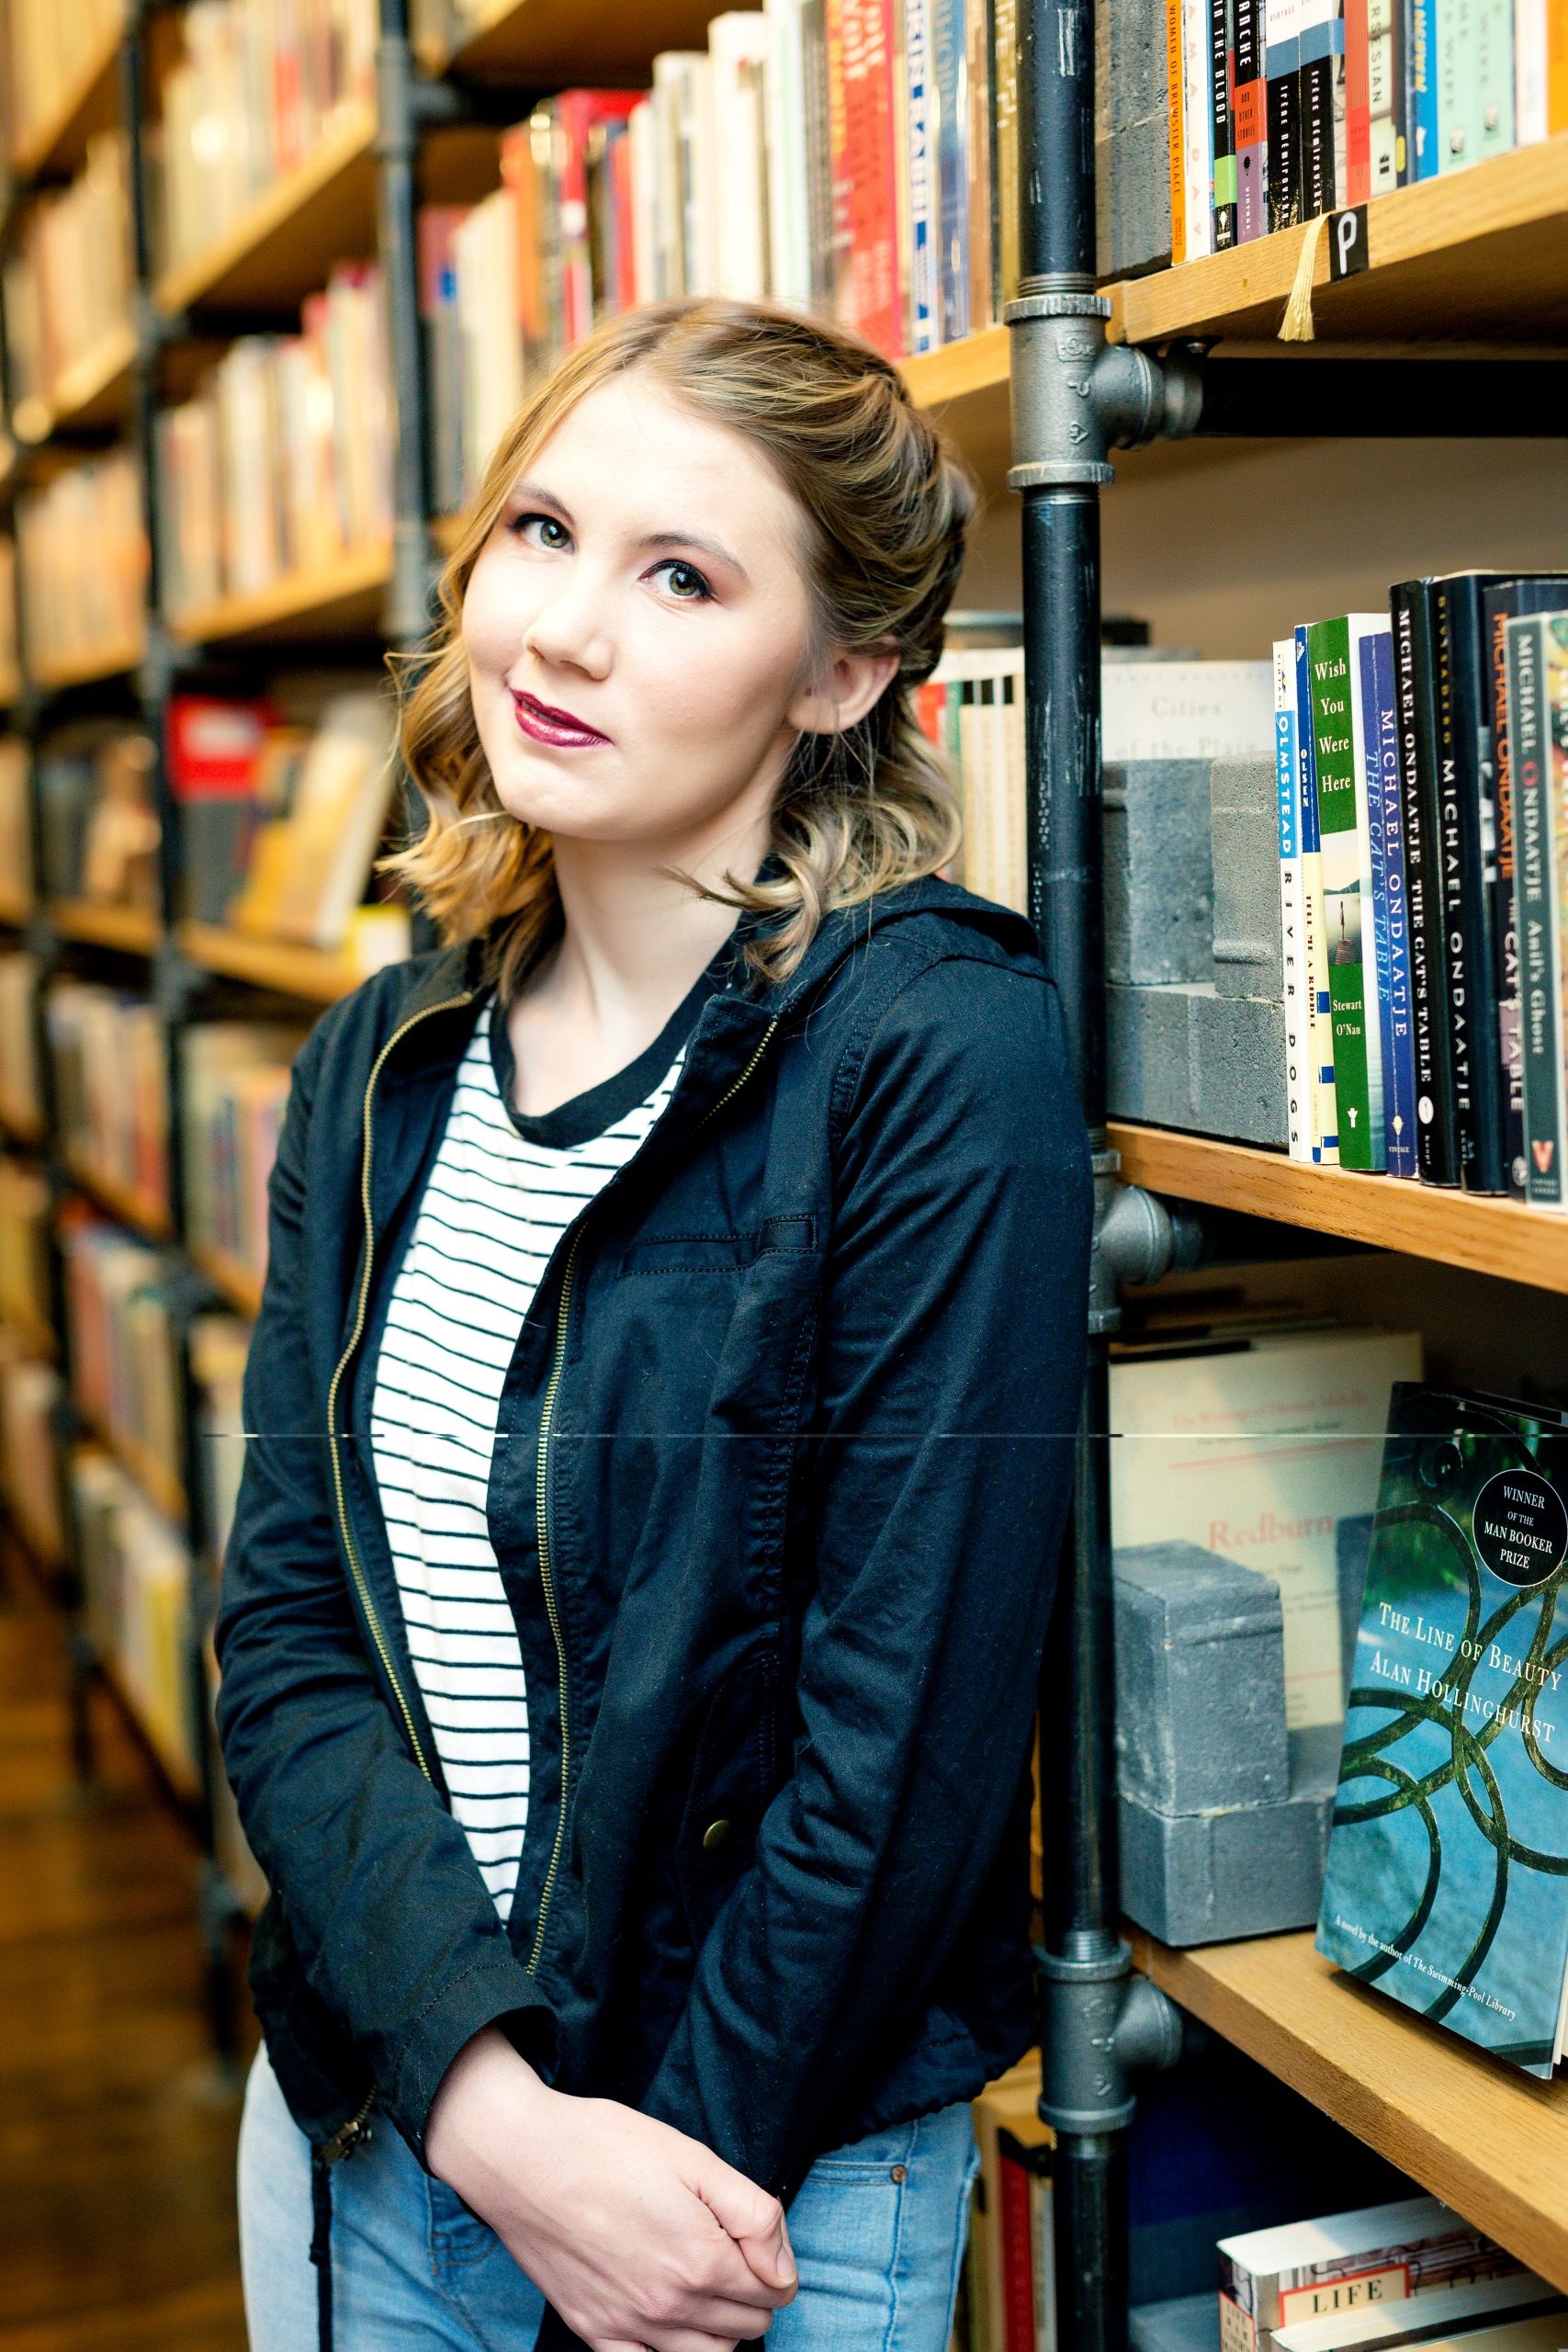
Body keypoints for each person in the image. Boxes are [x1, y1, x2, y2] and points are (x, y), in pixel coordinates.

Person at [218, 296, 1092, 2352]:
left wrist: (638, 2208)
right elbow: (287, 1631)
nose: (564, 631)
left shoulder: (931, 1049)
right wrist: (493, 2118)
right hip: (374, 2123)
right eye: (540, 531)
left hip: (748, 2193)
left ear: (843, 669)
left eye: (679, 574)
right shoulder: (381, 1064)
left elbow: (905, 1760)